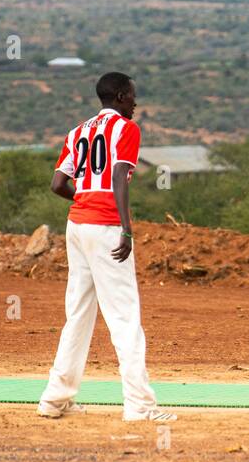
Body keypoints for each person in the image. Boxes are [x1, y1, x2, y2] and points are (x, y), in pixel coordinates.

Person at [37, 71, 176, 422]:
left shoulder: (78, 131)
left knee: (78, 314)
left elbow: (57, 184)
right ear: (118, 97)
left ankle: (55, 400)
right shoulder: (127, 129)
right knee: (124, 316)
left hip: (77, 225)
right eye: (131, 96)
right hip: (104, 226)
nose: (135, 103)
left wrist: (83, 196)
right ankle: (140, 406)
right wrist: (126, 229)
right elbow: (118, 177)